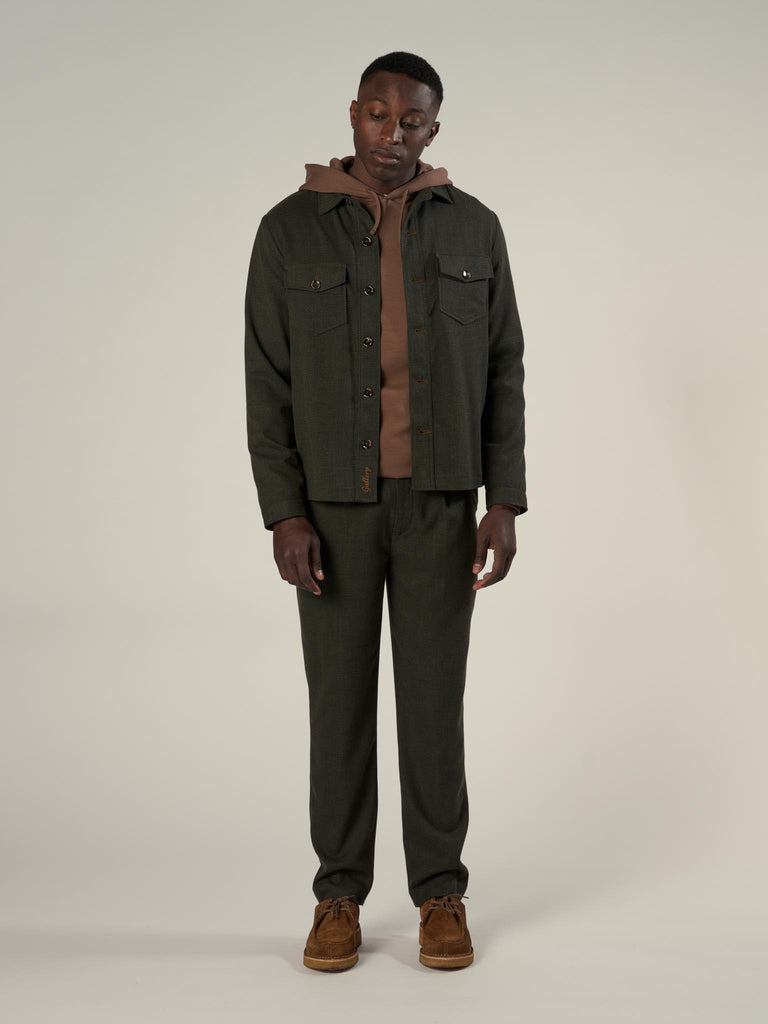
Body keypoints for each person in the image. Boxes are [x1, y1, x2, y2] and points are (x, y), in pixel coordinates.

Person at [244, 50, 527, 971]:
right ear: (353, 114)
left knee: (434, 704)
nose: (391, 133)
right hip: (333, 510)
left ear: (433, 129)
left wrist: (504, 499)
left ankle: (441, 892)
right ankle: (338, 895)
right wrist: (284, 512)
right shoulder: (289, 231)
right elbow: (266, 381)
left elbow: (505, 368)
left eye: (411, 121)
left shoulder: (474, 227)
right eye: (377, 114)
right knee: (339, 706)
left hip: (441, 503)